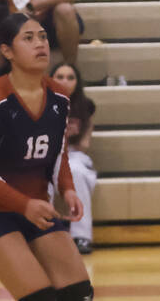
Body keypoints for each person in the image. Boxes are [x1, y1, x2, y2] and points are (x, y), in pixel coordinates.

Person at [0, 14, 93, 301]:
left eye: (43, 36)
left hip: (36, 208)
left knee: (79, 294)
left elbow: (58, 154)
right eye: (28, 38)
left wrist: (68, 188)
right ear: (6, 51)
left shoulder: (59, 95)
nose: (40, 44)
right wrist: (24, 205)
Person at [51, 63, 96, 255]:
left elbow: (85, 144)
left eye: (70, 77)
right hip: (47, 154)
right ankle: (40, 235)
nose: (65, 81)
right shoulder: (38, 102)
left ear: (77, 82)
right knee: (37, 178)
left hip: (74, 153)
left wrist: (68, 135)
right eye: (59, 77)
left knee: (76, 172)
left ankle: (81, 237)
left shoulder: (86, 106)